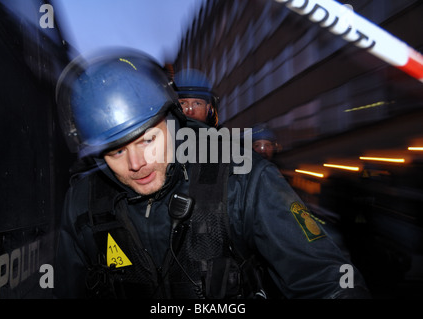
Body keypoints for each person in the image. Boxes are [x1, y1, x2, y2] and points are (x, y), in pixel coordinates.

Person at [54, 48, 370, 299]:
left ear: (172, 121)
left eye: (148, 140)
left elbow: (328, 283)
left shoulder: (243, 179)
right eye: (117, 151)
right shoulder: (83, 203)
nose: (136, 163)